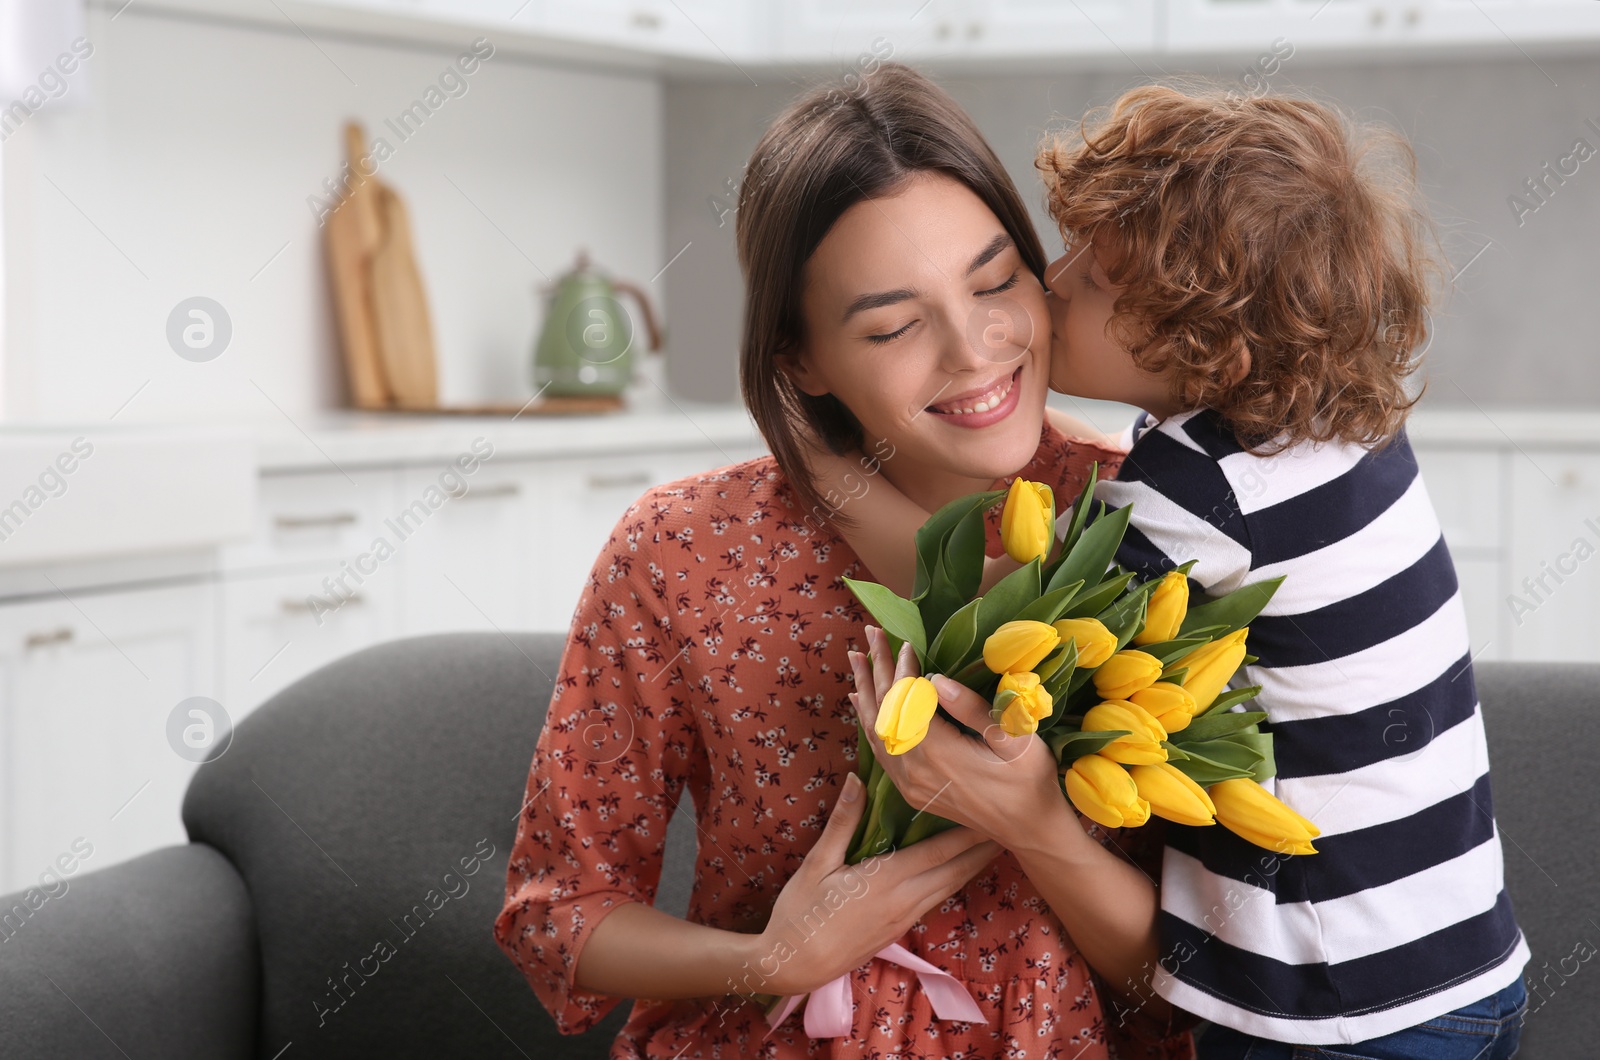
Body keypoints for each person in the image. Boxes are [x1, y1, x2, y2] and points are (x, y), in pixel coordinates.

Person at [493, 63, 1197, 1058]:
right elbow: (555, 912)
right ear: (801, 360)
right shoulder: (679, 551)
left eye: (996, 280)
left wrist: (1038, 826)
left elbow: (1207, 989)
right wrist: (772, 959)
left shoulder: (1156, 526)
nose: (974, 347)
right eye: (893, 325)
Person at [845, 84, 1531, 1058]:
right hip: (1464, 962)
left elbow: (995, 608)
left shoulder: (1199, 491)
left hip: (1332, 1002)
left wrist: (829, 465)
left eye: (1089, 279)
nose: (1050, 279)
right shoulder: (1348, 426)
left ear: (1200, 335)